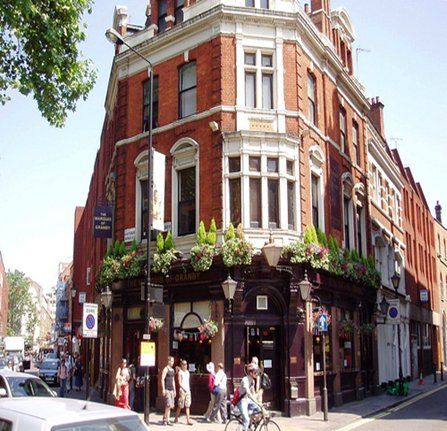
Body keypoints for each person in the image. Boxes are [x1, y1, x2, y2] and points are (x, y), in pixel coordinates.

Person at [238, 363, 263, 431]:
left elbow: (253, 393)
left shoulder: (252, 381)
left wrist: (258, 403)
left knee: (259, 410)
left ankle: (250, 425)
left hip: (248, 400)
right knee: (246, 419)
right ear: (251, 373)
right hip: (241, 401)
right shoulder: (245, 380)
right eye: (255, 372)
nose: (257, 374)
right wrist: (257, 402)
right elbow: (249, 393)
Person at [174, 360, 193, 425]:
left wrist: (188, 389)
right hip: (182, 390)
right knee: (180, 405)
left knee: (188, 405)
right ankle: (176, 418)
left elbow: (188, 382)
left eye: (186, 364)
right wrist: (183, 389)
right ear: (181, 365)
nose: (185, 366)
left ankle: (188, 420)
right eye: (184, 364)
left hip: (188, 390)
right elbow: (179, 382)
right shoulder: (180, 372)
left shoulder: (188, 372)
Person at [161, 356, 176, 426]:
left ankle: (167, 419)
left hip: (171, 389)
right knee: (168, 404)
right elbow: (162, 379)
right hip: (167, 389)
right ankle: (165, 418)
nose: (172, 362)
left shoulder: (172, 370)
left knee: (170, 406)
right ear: (168, 361)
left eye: (173, 361)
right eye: (171, 361)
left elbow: (173, 380)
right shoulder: (165, 369)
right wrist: (163, 389)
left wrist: (174, 389)